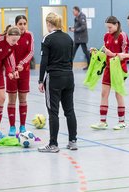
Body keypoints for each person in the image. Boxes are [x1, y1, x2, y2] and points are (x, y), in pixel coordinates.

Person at [38, 12, 77, 153]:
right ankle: (73, 141)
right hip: (69, 76)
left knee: (53, 112)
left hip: (54, 78)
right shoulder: (68, 38)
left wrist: (40, 80)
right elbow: (71, 59)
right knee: (69, 110)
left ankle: (53, 144)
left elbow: (44, 61)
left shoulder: (47, 39)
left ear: (49, 24)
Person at [90, 16, 129, 130]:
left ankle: (122, 122)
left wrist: (112, 54)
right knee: (104, 94)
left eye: (110, 27)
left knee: (118, 94)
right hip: (108, 68)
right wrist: (97, 52)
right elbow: (106, 53)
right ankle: (102, 121)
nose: (108, 30)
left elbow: (125, 55)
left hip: (119, 69)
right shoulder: (106, 36)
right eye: (107, 27)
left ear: (116, 25)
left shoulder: (123, 36)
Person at [6, 15, 34, 136]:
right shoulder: (11, 35)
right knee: (12, 99)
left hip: (24, 72)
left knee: (23, 99)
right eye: (20, 24)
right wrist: (13, 69)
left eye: (24, 23)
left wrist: (22, 64)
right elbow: (9, 52)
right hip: (11, 73)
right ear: (16, 24)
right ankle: (12, 126)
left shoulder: (29, 35)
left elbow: (31, 51)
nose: (22, 26)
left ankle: (22, 126)